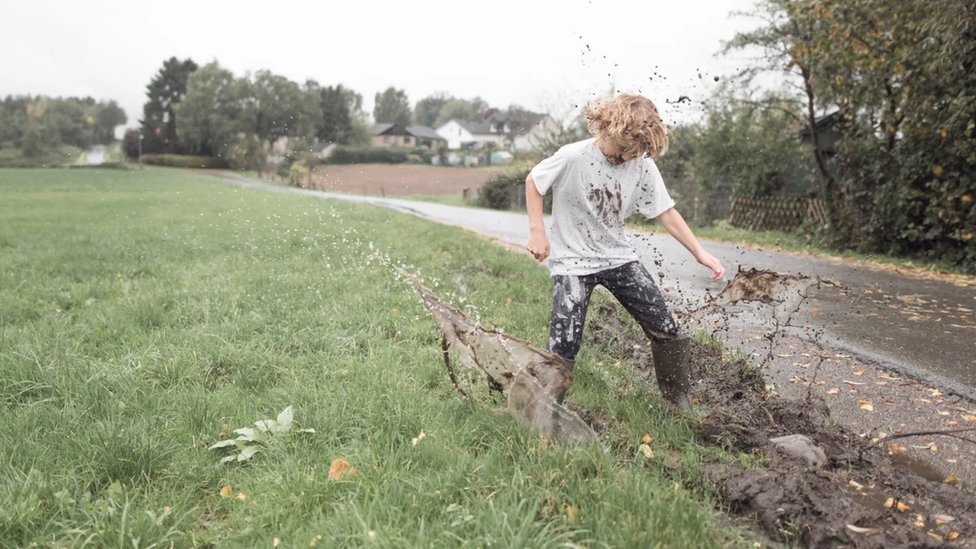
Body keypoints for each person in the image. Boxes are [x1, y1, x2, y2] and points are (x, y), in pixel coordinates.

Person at [524, 93, 724, 411]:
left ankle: (678, 404)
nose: (625, 160)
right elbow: (535, 181)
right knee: (565, 341)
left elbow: (666, 211)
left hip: (618, 257)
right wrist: (537, 232)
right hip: (573, 262)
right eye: (621, 152)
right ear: (604, 127)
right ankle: (545, 408)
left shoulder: (641, 164)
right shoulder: (573, 156)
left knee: (665, 327)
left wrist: (699, 252)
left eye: (634, 154)